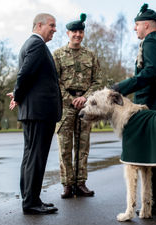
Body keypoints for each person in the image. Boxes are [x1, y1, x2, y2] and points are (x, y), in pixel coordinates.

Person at [111, 3, 156, 215]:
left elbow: (149, 72)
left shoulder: (151, 42)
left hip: (153, 102)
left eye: (137, 25)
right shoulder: (154, 41)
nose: (134, 29)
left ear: (146, 25)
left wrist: (122, 88)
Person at [7, 13, 62, 215]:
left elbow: (28, 76)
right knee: (36, 157)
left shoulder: (31, 44)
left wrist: (18, 94)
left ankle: (31, 197)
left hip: (34, 111)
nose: (55, 29)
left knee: (31, 156)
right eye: (52, 25)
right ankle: (31, 202)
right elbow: (25, 74)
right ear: (39, 25)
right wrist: (19, 95)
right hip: (39, 112)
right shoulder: (37, 45)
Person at [53, 13, 102, 199]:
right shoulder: (57, 55)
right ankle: (67, 184)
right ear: (67, 33)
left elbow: (98, 80)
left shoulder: (90, 55)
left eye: (80, 32)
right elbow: (54, 81)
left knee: (83, 147)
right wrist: (69, 98)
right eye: (74, 31)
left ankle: (80, 183)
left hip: (85, 107)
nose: (77, 35)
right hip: (65, 107)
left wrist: (86, 98)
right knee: (65, 147)